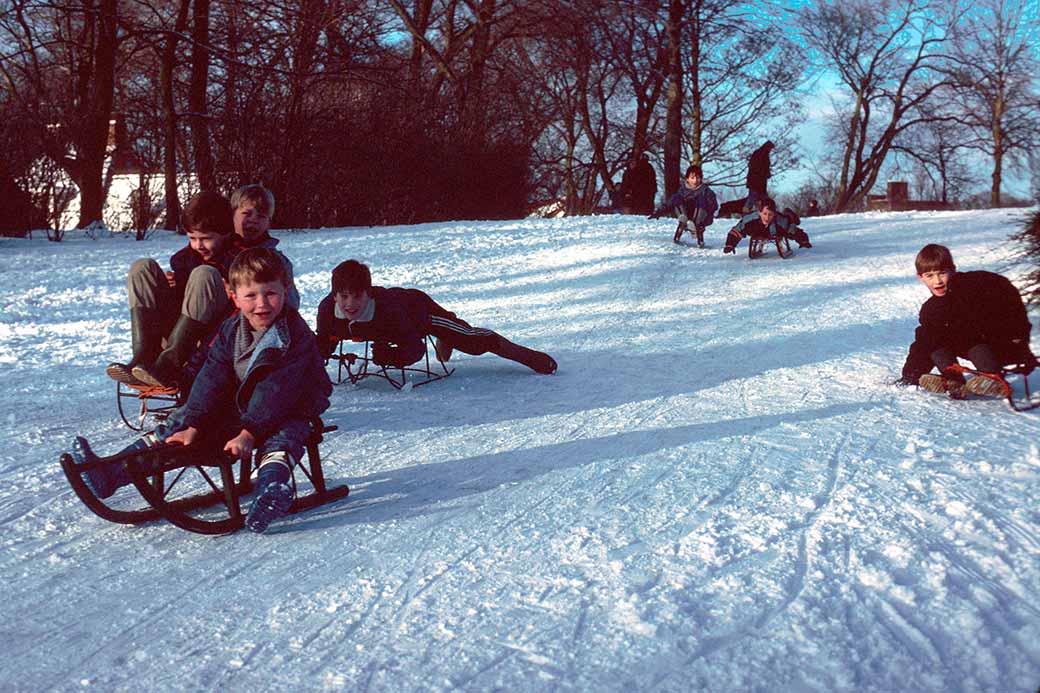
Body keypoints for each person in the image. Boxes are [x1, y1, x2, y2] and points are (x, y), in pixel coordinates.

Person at [70, 247, 332, 533]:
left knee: (284, 436)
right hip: (245, 403)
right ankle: (110, 473)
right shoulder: (232, 329)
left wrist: (248, 433)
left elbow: (277, 390)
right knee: (180, 424)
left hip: (294, 403)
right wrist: (194, 422)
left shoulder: (293, 335)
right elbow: (212, 375)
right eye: (250, 296)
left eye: (271, 293)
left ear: (286, 290)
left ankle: (271, 489)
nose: (262, 304)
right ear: (233, 295)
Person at [316, 260, 558, 375]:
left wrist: (391, 356)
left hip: (418, 312)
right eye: (343, 296)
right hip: (386, 329)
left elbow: (415, 348)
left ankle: (529, 357)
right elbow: (324, 341)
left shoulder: (388, 309)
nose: (350, 304)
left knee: (471, 341)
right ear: (334, 295)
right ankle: (447, 339)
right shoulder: (328, 310)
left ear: (368, 294)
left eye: (357, 296)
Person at [106, 191, 241, 390]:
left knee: (204, 273)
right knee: (142, 267)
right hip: (179, 331)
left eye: (206, 238)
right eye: (192, 238)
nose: (198, 245)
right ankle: (144, 355)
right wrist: (173, 288)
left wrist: (233, 288)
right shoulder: (184, 259)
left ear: (226, 233)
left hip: (212, 336)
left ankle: (169, 365)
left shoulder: (239, 260)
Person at [897, 244, 1035, 398]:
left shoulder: (973, 287)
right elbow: (923, 343)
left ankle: (992, 378)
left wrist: (1020, 343)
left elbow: (1011, 313)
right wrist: (910, 375)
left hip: (1001, 345)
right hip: (975, 342)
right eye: (930, 276)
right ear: (920, 277)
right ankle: (953, 380)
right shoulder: (931, 309)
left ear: (953, 270)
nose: (937, 281)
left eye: (942, 273)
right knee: (930, 335)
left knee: (966, 337)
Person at [230, 184, 300, 310]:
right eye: (247, 213)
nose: (253, 220)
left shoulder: (278, 262)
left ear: (269, 222)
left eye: (261, 216)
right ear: (233, 215)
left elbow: (291, 305)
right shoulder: (219, 254)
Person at [649, 164, 718, 247]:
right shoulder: (682, 191)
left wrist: (706, 218)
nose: (695, 181)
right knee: (677, 198)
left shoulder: (706, 191)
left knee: (701, 199)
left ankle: (695, 226)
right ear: (687, 179)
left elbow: (713, 206)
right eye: (692, 178)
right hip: (686, 214)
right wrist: (659, 212)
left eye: (698, 178)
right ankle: (684, 219)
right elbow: (670, 203)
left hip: (700, 217)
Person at [722, 197, 812, 254]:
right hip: (759, 231)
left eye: (770, 214)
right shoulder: (750, 220)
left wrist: (804, 242)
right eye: (765, 214)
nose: (767, 217)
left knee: (791, 220)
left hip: (780, 224)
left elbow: (795, 231)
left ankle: (789, 213)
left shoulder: (781, 222)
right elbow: (736, 231)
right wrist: (730, 245)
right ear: (759, 212)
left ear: (774, 214)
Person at [746, 140, 774, 212]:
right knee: (752, 199)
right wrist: (765, 173)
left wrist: (767, 173)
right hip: (755, 182)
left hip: (760, 182)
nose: (770, 150)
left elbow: (765, 167)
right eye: (770, 148)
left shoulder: (764, 154)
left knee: (763, 199)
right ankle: (745, 212)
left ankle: (763, 213)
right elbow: (754, 167)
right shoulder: (759, 154)